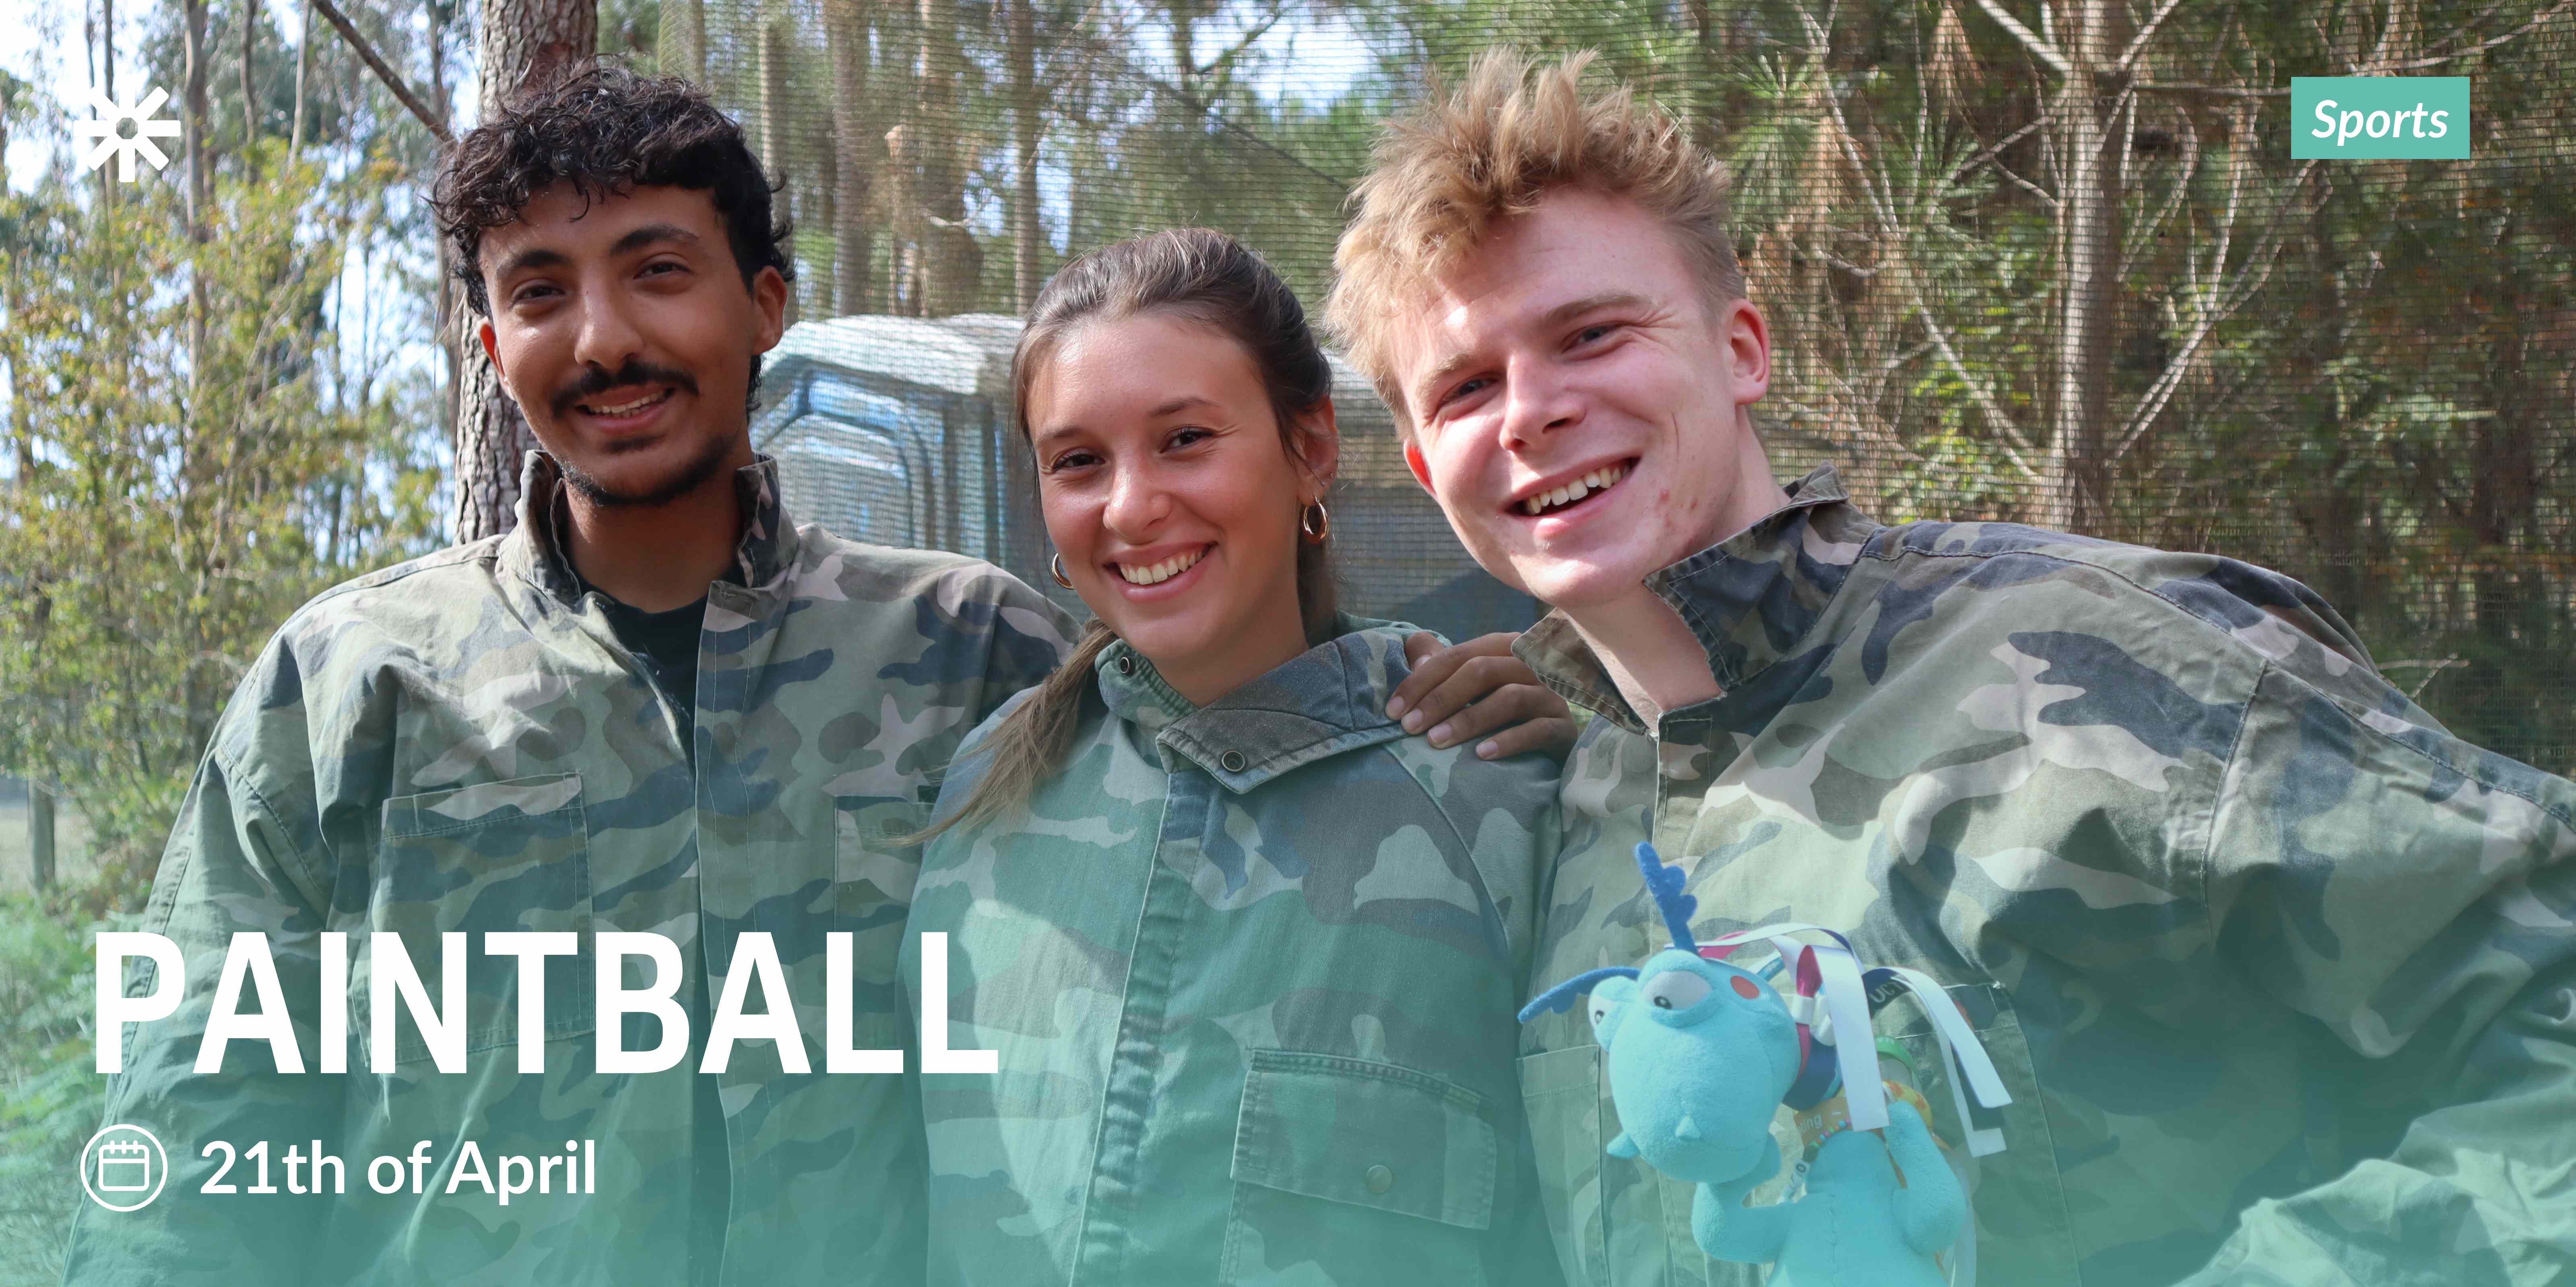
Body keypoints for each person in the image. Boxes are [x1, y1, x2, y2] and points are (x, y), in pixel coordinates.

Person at [62, 68, 1565, 1287]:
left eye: (659, 272)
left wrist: (1466, 683)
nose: (605, 339)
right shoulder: (348, 685)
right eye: (539, 292)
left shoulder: (967, 655)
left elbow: (1227, 734)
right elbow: (194, 1134)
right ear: (489, 343)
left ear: (767, 306)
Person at [1322, 48, 2576, 1287]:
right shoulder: (1540, 816)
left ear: (1742, 348)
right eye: (1466, 388)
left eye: (1593, 334)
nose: (1531, 411)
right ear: (1426, 469)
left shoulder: (2109, 660)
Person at [900, 228, 1567, 1286]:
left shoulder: (1498, 796)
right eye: (1078, 462)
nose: (1131, 506)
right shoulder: (988, 788)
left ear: (1311, 450)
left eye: (1185, 440)